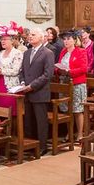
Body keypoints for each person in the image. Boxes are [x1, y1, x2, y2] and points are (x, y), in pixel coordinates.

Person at [19, 28, 55, 156]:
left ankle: (42, 145)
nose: (30, 36)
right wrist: (23, 83)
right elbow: (22, 71)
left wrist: (32, 86)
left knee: (41, 121)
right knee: (29, 120)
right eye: (29, 35)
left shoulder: (47, 53)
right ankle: (30, 144)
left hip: (39, 92)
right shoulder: (27, 53)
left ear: (41, 37)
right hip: (27, 91)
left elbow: (48, 74)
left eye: (33, 35)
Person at [54, 30, 88, 142]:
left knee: (77, 110)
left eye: (68, 39)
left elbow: (84, 68)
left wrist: (70, 72)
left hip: (77, 83)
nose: (66, 41)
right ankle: (69, 132)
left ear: (74, 40)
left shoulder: (81, 51)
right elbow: (58, 65)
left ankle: (79, 134)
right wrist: (58, 71)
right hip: (64, 83)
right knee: (67, 110)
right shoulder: (63, 52)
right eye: (64, 39)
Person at [0, 23, 24, 115]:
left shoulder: (17, 53)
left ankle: (13, 129)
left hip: (11, 85)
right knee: (0, 110)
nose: (2, 41)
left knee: (11, 110)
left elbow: (16, 70)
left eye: (5, 39)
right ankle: (3, 128)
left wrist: (1, 71)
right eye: (1, 39)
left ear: (12, 40)